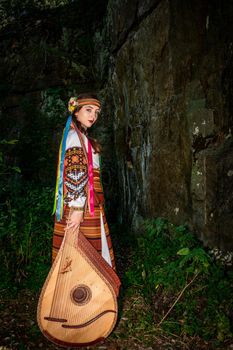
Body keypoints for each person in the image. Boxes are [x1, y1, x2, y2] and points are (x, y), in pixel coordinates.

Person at [52, 93, 115, 269]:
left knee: (84, 251)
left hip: (88, 200)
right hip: (83, 203)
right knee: (85, 250)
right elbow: (75, 172)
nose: (93, 116)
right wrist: (78, 208)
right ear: (76, 111)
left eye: (96, 112)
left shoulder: (79, 136)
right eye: (88, 110)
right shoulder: (74, 137)